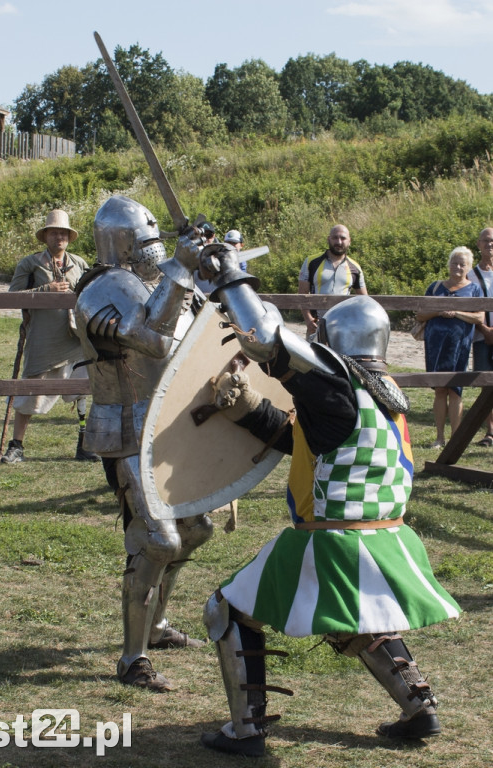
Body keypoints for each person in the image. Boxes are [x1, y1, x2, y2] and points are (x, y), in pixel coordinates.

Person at [196, 244, 461, 757]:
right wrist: (250, 409)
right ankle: (419, 707)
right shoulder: (387, 398)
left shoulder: (336, 390)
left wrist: (230, 275)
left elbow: (268, 341)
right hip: (389, 539)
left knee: (225, 610)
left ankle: (246, 731)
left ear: (334, 343)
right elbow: (307, 440)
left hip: (331, 539)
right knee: (359, 622)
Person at [74, 195, 213, 692]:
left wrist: (204, 270)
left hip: (168, 422)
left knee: (196, 529)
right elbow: (150, 338)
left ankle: (154, 627)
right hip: (126, 425)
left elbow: (194, 332)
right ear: (125, 239)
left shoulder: (152, 284)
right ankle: (132, 660)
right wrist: (180, 266)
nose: (152, 243)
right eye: (145, 234)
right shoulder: (101, 288)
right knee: (159, 539)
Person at [0, 209, 99, 464]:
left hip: (76, 339)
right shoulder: (31, 263)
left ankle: (85, 444)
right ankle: (16, 445)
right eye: (54, 233)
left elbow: (93, 292)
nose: (59, 237)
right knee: (31, 389)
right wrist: (46, 289)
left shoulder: (78, 263)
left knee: (83, 389)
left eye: (63, 233)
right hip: (43, 339)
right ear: (45, 236)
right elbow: (11, 297)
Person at [416, 247, 484, 449]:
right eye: (455, 262)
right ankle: (439, 437)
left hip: (459, 345)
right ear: (449, 264)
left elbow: (479, 317)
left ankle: (456, 438)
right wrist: (439, 311)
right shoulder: (436, 287)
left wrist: (456, 313)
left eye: (462, 263)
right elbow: (420, 315)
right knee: (439, 389)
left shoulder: (474, 289)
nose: (458, 266)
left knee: (455, 390)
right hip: (435, 344)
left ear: (468, 267)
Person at [298, 224, 367, 340]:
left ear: (349, 241)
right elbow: (301, 294)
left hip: (344, 326)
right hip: (316, 326)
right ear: (328, 239)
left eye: (343, 238)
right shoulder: (311, 262)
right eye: (335, 238)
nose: (339, 242)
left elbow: (365, 300)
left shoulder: (355, 267)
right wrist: (308, 320)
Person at [468, 228, 493, 446]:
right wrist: (485, 329)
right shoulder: (471, 274)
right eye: (486, 241)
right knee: (486, 383)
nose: (490, 244)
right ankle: (490, 431)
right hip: (480, 335)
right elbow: (467, 305)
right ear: (478, 244)